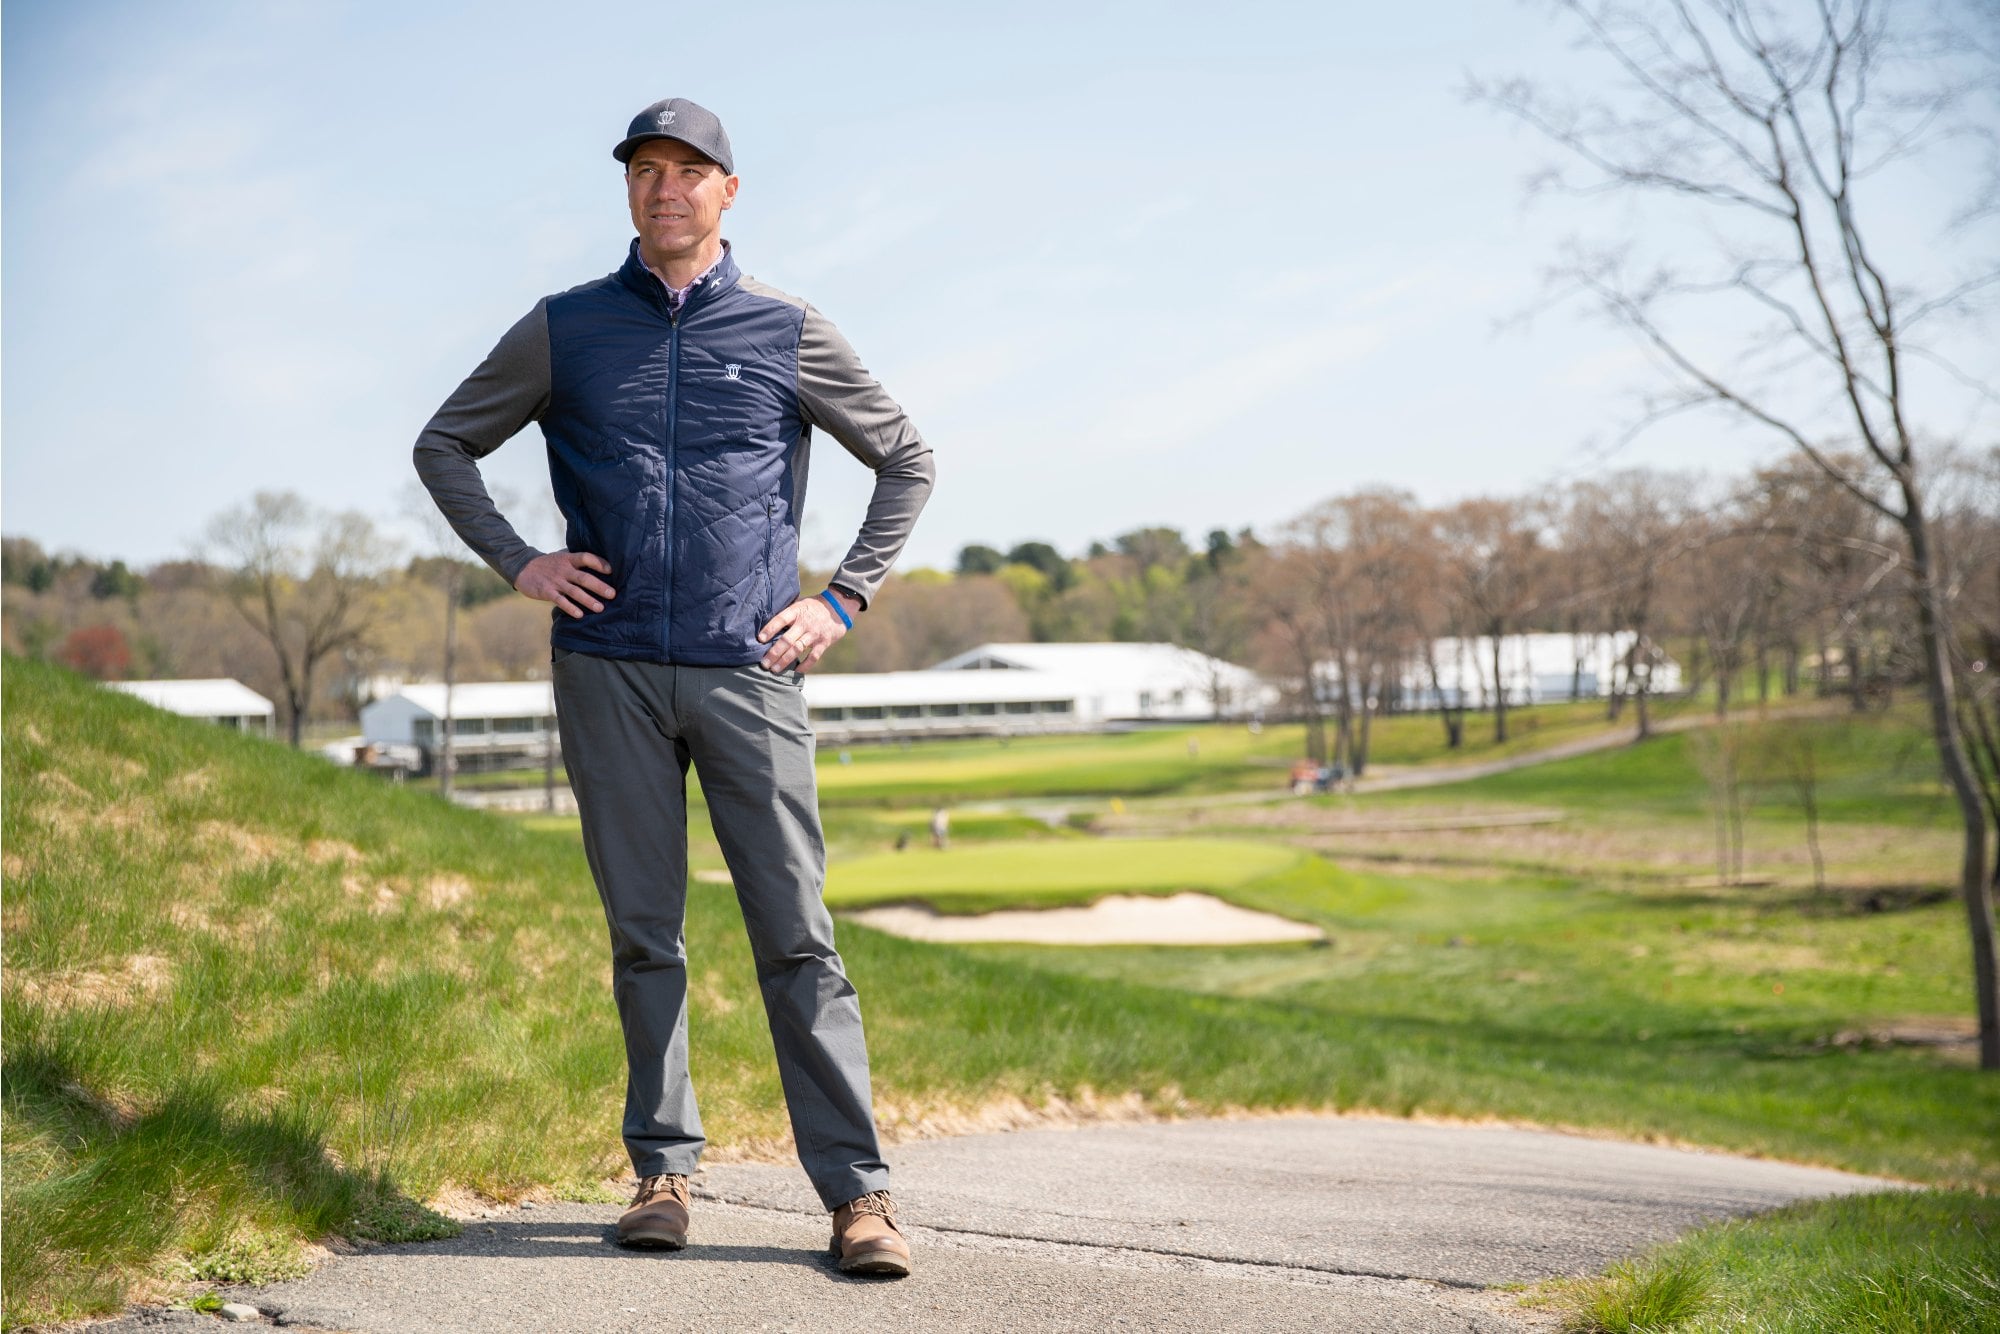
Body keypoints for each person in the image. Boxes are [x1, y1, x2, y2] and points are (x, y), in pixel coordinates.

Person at [413, 96, 933, 1277]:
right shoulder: (564, 329)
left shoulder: (788, 328)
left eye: (689, 171)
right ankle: (662, 1171)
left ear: (727, 193)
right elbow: (444, 444)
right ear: (629, 191)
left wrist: (841, 597)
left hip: (749, 668)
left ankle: (858, 1197)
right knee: (646, 936)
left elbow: (905, 457)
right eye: (646, 171)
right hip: (607, 674)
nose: (666, 189)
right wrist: (521, 561)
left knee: (797, 936)